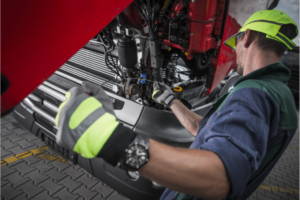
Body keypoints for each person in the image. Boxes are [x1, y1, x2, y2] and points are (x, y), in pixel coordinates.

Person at [55, 9, 298, 200]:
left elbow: (219, 177)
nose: (235, 54)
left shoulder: (253, 93)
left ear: (249, 37)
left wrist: (110, 140)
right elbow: (203, 129)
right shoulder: (279, 94)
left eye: (236, 43)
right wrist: (171, 100)